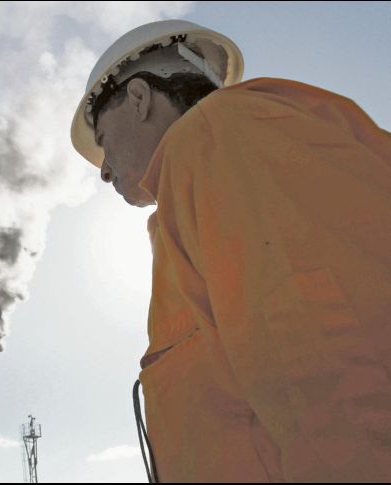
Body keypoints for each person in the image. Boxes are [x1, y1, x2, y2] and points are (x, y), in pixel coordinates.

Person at [70, 19, 391, 482]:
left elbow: (328, 360)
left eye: (102, 141)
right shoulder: (198, 184)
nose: (103, 171)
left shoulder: (222, 134)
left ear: (138, 99)